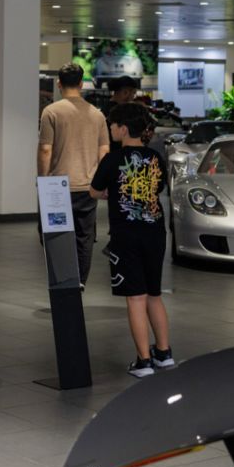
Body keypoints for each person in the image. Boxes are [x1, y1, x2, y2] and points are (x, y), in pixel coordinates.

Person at [90, 102, 172, 378]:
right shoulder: (156, 158)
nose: (111, 129)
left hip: (126, 236)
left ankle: (143, 361)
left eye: (112, 125)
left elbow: (94, 190)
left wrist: (110, 192)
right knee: (154, 295)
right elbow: (157, 188)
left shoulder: (112, 159)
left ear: (123, 128)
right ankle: (163, 353)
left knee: (135, 298)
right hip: (155, 233)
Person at [38, 63, 110, 288]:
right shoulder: (97, 115)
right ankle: (80, 281)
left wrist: (43, 180)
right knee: (84, 237)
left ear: (59, 84)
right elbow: (104, 151)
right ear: (81, 84)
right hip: (87, 186)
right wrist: (99, 179)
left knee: (55, 235)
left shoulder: (51, 112)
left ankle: (63, 280)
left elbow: (45, 149)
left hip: (58, 186)